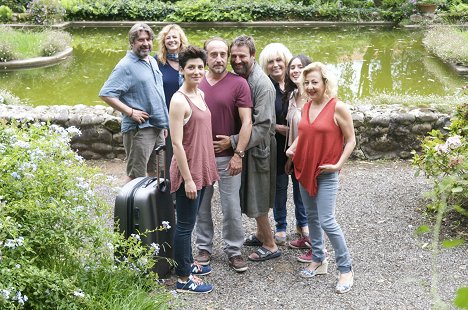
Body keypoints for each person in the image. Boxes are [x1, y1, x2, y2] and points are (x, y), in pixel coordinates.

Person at [286, 62, 356, 294]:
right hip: (304, 169)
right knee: (312, 218)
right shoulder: (306, 106)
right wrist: (293, 148)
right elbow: (305, 134)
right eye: (306, 83)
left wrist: (337, 164)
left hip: (326, 172)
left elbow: (351, 140)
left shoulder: (338, 107)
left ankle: (345, 269)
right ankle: (318, 260)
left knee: (327, 220)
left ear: (325, 82)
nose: (310, 86)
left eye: (314, 82)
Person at [194, 37, 253, 273]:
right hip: (200, 157)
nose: (219, 59)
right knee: (201, 206)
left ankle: (234, 250)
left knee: (231, 205)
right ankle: (204, 247)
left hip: (228, 157)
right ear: (206, 57)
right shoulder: (195, 82)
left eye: (222, 54)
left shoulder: (238, 84)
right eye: (213, 54)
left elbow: (247, 121)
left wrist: (238, 153)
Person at [170, 45, 219, 294]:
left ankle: (187, 264)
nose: (197, 71)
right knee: (185, 226)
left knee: (190, 221)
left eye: (200, 66)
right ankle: (182, 279)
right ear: (182, 69)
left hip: (201, 168)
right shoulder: (179, 100)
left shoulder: (199, 94)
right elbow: (176, 143)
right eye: (191, 67)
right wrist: (188, 180)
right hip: (187, 172)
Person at [229, 35, 280, 262]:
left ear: (252, 55)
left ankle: (270, 244)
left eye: (242, 56)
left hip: (260, 149)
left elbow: (263, 127)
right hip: (249, 146)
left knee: (257, 195)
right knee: (252, 193)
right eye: (234, 56)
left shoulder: (262, 85)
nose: (237, 60)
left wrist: (232, 142)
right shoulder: (242, 77)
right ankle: (261, 234)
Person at [99, 23, 168, 184]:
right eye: (140, 40)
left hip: (157, 127)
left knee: (156, 172)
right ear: (132, 43)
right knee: (135, 175)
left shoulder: (151, 60)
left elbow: (156, 93)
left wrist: (163, 123)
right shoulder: (125, 66)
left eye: (148, 39)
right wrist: (130, 112)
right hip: (140, 129)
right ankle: (129, 209)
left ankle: (151, 208)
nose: (145, 43)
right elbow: (106, 93)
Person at [258, 43, 305, 247]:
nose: (276, 65)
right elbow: (257, 117)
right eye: (271, 62)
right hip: (276, 145)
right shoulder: (265, 86)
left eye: (279, 61)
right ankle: (281, 226)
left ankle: (302, 223)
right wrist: (277, 128)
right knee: (279, 187)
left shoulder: (298, 85)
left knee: (300, 185)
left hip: (299, 143)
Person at [283, 55, 315, 262]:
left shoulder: (313, 98)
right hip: (295, 156)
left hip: (309, 158)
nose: (295, 70)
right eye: (292, 67)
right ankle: (307, 239)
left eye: (300, 67)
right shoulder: (293, 94)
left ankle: (317, 249)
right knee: (300, 198)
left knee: (311, 203)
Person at [155, 24, 189, 173]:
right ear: (163, 42)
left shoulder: (188, 60)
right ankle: (170, 192)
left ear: (181, 40)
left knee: (188, 152)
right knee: (170, 156)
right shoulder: (156, 61)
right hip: (168, 117)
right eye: (168, 38)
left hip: (188, 116)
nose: (171, 40)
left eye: (175, 37)